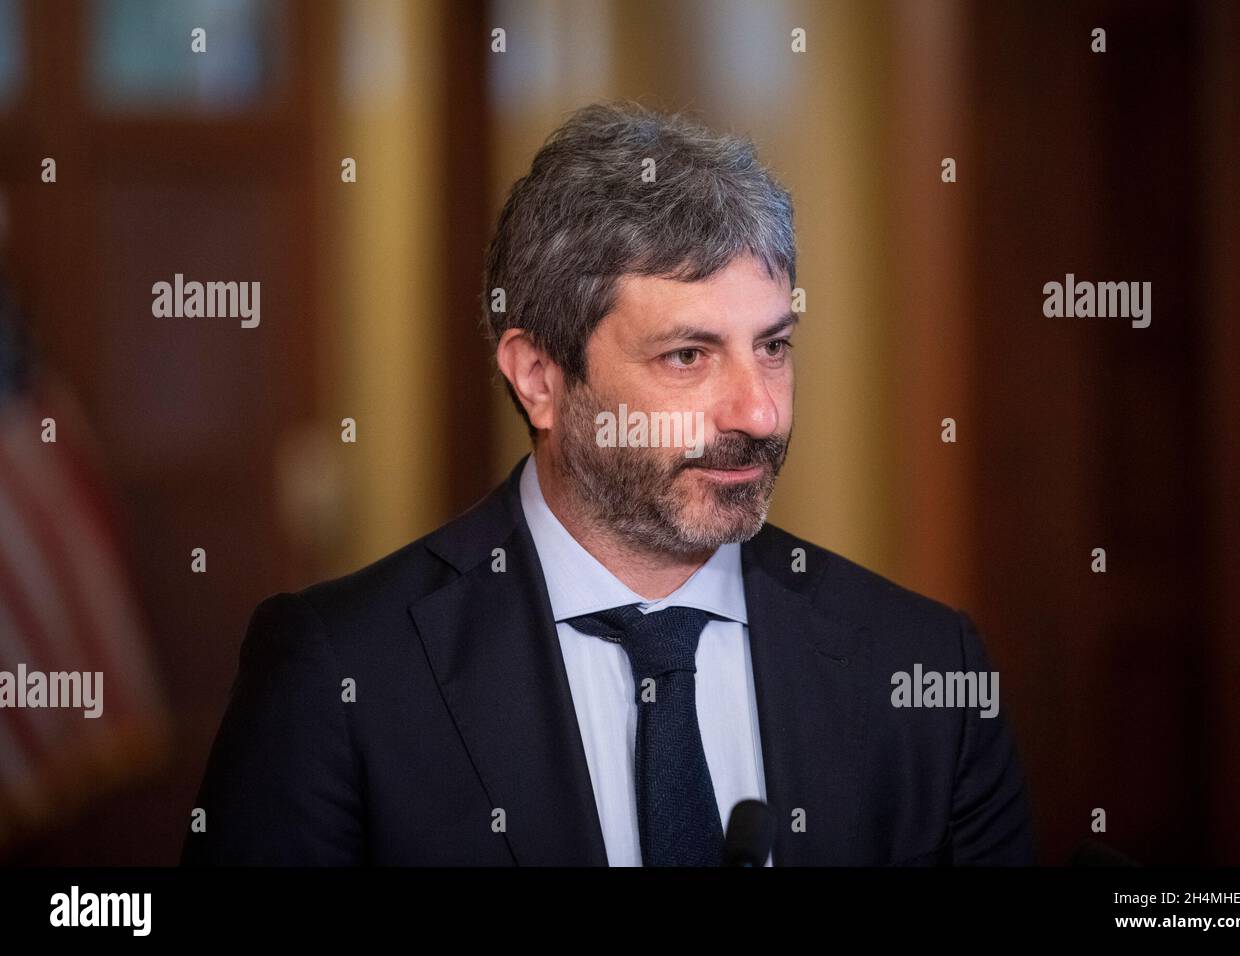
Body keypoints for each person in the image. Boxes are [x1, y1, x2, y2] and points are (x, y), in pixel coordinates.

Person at [182, 101, 1034, 866]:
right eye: (688, 357)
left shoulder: (924, 669)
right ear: (539, 377)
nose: (760, 412)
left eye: (773, 346)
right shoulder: (342, 674)